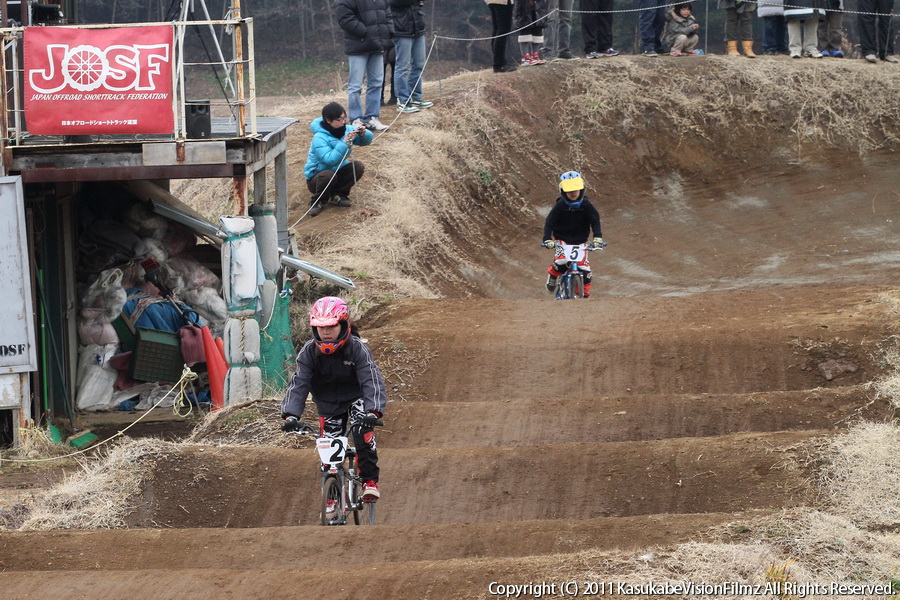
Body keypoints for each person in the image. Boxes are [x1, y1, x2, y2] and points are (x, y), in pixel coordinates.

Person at [281, 296, 387, 502]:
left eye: (331, 326)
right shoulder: (308, 353)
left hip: (357, 397)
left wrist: (373, 411)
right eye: (321, 327)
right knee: (328, 447)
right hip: (328, 402)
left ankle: (369, 481)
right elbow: (299, 383)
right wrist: (290, 415)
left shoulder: (357, 348)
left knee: (361, 431)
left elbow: (371, 379)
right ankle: (331, 496)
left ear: (343, 324)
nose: (326, 332)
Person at [303, 102, 373, 217]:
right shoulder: (319, 137)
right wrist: (345, 142)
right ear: (328, 120)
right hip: (318, 178)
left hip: (337, 173)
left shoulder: (346, 129)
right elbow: (329, 160)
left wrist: (363, 134)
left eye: (344, 118)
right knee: (328, 175)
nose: (343, 122)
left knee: (357, 166)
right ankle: (317, 201)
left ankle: (339, 194)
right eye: (339, 119)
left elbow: (367, 141)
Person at [542, 171, 603, 297]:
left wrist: (597, 238)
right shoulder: (560, 205)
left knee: (586, 272)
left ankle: (584, 294)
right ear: (563, 191)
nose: (573, 193)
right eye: (569, 190)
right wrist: (547, 239)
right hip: (562, 239)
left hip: (581, 241)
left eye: (576, 189)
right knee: (562, 262)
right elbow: (549, 222)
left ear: (582, 189)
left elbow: (595, 220)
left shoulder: (586, 205)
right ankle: (553, 274)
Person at [336, 0, 393, 132]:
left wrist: (388, 32)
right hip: (358, 45)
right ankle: (356, 119)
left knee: (376, 83)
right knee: (355, 85)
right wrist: (364, 32)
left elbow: (387, 13)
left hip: (377, 45)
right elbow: (344, 17)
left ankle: (372, 118)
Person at [390, 0, 435, 113]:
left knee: (419, 64)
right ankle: (402, 101)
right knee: (403, 67)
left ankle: (415, 97)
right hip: (401, 29)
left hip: (417, 27)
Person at [486, 0, 517, 72]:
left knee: (497, 29)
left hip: (492, 2)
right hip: (503, 2)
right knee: (503, 30)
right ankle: (499, 64)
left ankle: (499, 62)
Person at [514, 0, 549, 65]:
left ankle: (535, 56)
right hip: (523, 7)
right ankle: (525, 58)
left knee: (538, 29)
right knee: (525, 31)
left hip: (539, 7)